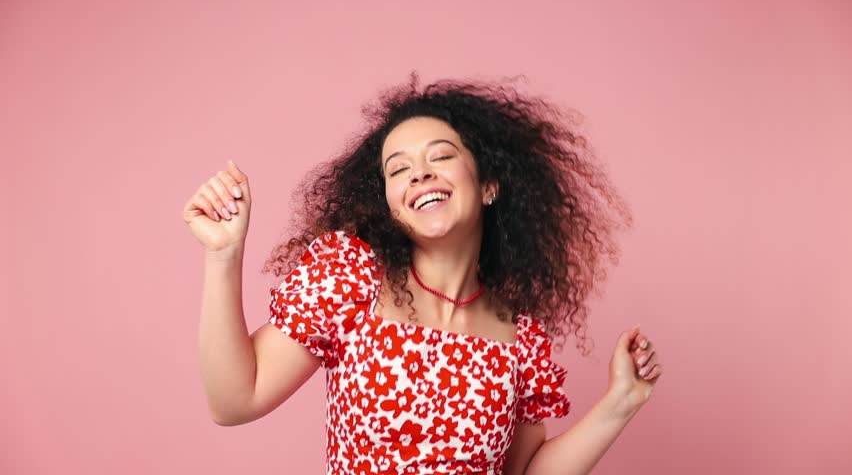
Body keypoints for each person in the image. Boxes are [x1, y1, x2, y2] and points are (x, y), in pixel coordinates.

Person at [184, 74, 663, 475]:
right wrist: (223, 256)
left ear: (489, 185)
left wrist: (620, 401)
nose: (418, 174)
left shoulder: (520, 338)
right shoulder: (351, 282)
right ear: (389, 203)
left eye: (441, 156)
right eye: (399, 169)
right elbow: (233, 402)